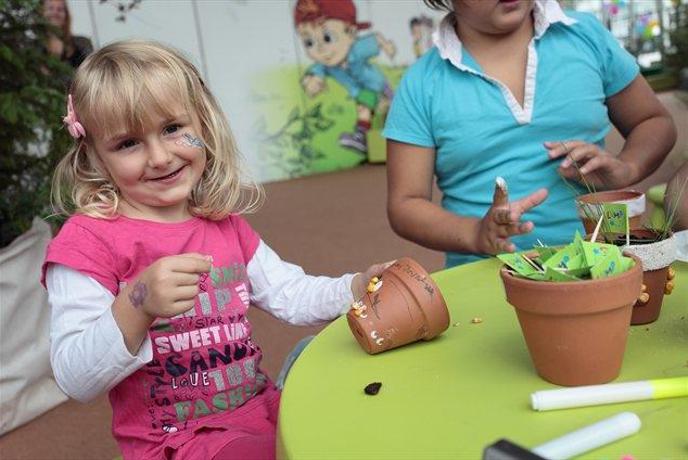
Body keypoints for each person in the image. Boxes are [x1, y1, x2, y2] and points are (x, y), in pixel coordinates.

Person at [42, 40, 390, 460]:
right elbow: (75, 378)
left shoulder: (221, 222)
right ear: (95, 156)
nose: (159, 156)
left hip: (257, 411)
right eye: (127, 144)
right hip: (178, 442)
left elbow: (289, 293)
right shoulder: (87, 242)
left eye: (172, 128)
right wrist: (138, 304)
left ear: (202, 124)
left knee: (362, 419)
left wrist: (356, 287)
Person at [384, 0, 677, 267]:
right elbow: (406, 204)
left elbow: (653, 122)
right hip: (484, 274)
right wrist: (474, 234)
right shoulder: (422, 83)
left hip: (601, 262)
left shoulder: (585, 36)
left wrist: (627, 168)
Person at [295, 0, 396, 154]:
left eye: (328, 38)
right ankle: (361, 136)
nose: (321, 49)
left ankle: (397, 131)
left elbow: (375, 39)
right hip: (361, 92)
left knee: (390, 109)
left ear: (351, 32)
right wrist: (311, 82)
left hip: (378, 85)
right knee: (364, 107)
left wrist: (387, 46)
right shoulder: (325, 65)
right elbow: (314, 74)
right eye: (309, 42)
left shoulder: (357, 50)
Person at [42, 0, 93, 69]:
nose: (55, 12)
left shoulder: (84, 44)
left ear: (66, 15)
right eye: (50, 8)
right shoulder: (32, 48)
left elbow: (94, 72)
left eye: (60, 9)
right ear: (41, 13)